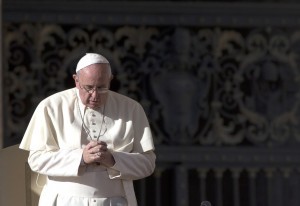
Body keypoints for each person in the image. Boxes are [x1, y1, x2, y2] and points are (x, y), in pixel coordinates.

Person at [19, 53, 156, 206]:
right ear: (76, 81)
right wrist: (81, 158)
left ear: (110, 80)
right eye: (89, 88)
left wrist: (112, 159)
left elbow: (147, 164)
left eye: (102, 87)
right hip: (64, 201)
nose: (95, 95)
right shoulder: (51, 106)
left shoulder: (131, 108)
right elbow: (36, 160)